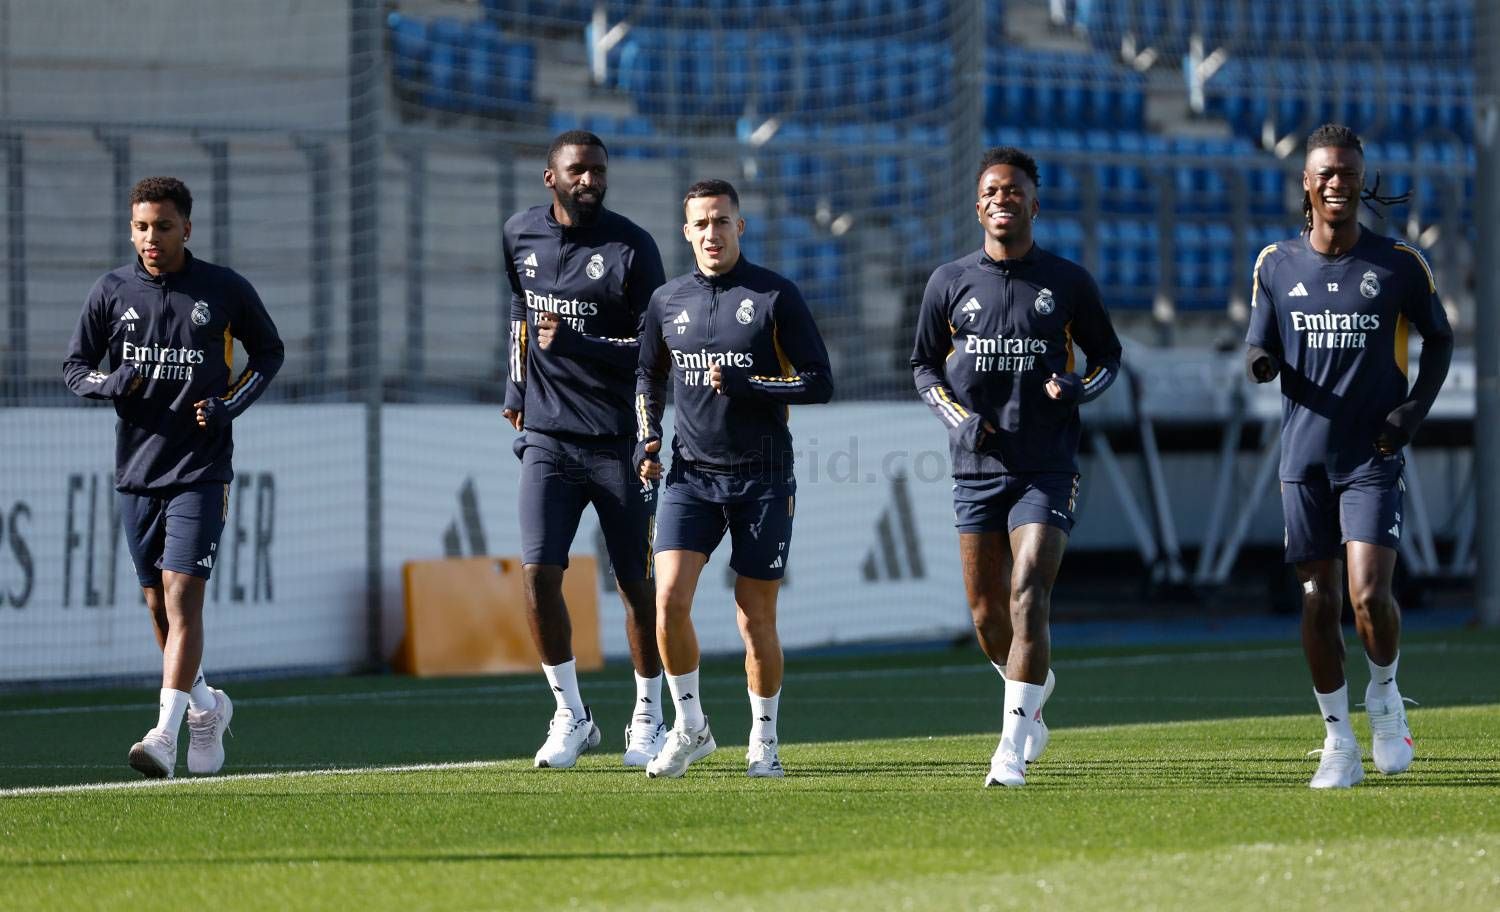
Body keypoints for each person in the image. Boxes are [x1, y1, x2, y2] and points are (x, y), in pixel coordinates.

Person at [1245, 123, 1452, 789]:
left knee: (1367, 596)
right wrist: (1262, 360)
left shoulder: (1398, 263)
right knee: (1315, 600)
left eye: (1348, 172)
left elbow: (1440, 340)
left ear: (1363, 182)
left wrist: (1413, 411)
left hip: (1373, 456)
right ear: (1306, 184)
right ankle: (1339, 742)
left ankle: (1386, 697)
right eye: (1325, 173)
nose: (1337, 182)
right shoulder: (1275, 263)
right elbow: (1259, 338)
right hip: (1303, 462)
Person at [911, 147, 1122, 788]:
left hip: (1046, 468)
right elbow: (922, 367)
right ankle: (1033, 689)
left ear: (1035, 202)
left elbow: (1108, 358)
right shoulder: (949, 283)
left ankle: (1009, 746)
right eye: (993, 192)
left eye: (1015, 191)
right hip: (976, 468)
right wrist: (958, 418)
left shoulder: (1068, 281)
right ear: (979, 206)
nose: (1003, 200)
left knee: (1029, 589)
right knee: (986, 614)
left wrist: (1079, 388)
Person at [63, 176, 284, 778]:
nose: (150, 238)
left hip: (201, 469)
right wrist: (109, 384)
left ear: (187, 226)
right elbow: (75, 368)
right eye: (140, 226)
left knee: (184, 597)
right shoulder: (111, 290)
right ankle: (206, 706)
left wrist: (227, 406)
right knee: (158, 606)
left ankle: (163, 735)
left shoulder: (222, 289)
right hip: (137, 471)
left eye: (162, 226)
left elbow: (270, 353)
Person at [634, 179, 833, 779]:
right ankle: (690, 726)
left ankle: (764, 738)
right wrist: (647, 436)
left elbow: (820, 381)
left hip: (764, 477)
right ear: (686, 230)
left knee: (754, 615)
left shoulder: (774, 295)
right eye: (701, 223)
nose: (712, 233)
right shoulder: (666, 301)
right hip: (691, 477)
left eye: (722, 221)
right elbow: (648, 376)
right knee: (666, 599)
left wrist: (754, 383)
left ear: (739, 227)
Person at [502, 130, 669, 769]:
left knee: (636, 586)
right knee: (540, 574)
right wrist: (515, 381)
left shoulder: (634, 248)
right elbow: (520, 309)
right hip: (546, 437)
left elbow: (657, 352)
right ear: (551, 178)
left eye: (598, 171)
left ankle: (648, 714)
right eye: (577, 171)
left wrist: (579, 344)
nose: (590, 181)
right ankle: (571, 712)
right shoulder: (519, 234)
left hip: (619, 442)